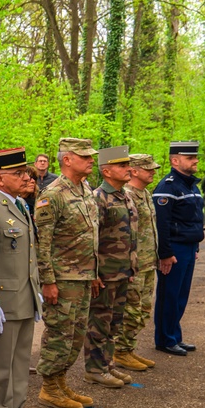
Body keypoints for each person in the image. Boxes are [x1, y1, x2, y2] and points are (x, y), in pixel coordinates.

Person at [34, 138, 100, 408]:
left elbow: (90, 234)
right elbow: (43, 243)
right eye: (85, 157)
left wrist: (94, 273)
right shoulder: (53, 194)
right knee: (60, 334)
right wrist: (48, 281)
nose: (91, 161)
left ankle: (60, 381)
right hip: (62, 279)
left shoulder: (84, 188)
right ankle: (49, 388)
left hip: (84, 276)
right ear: (67, 159)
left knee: (76, 335)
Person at [0, 149, 44, 408]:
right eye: (19, 173)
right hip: (4, 300)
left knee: (20, 361)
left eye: (26, 172)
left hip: (25, 294)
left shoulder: (20, 205)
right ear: (0, 178)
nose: (26, 177)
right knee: (0, 364)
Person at [84, 146, 138, 388]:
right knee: (99, 323)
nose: (128, 169)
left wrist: (132, 268)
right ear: (106, 171)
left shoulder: (125, 195)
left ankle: (107, 364)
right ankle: (94, 369)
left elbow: (132, 236)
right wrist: (94, 274)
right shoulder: (99, 198)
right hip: (105, 274)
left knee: (115, 323)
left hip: (122, 272)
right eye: (122, 166)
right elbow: (92, 239)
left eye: (128, 165)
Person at [153, 141, 203, 355]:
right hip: (174, 249)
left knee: (181, 295)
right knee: (169, 295)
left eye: (195, 157)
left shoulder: (191, 185)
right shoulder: (168, 186)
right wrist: (165, 253)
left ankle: (175, 335)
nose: (195, 161)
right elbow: (161, 224)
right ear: (175, 160)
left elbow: (193, 219)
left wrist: (195, 245)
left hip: (188, 247)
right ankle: (165, 339)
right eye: (190, 158)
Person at [114, 154, 161, 370]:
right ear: (134, 170)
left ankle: (128, 349)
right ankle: (120, 352)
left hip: (148, 261)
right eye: (148, 168)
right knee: (131, 310)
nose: (152, 171)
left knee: (143, 310)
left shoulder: (145, 194)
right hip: (134, 264)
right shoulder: (127, 195)